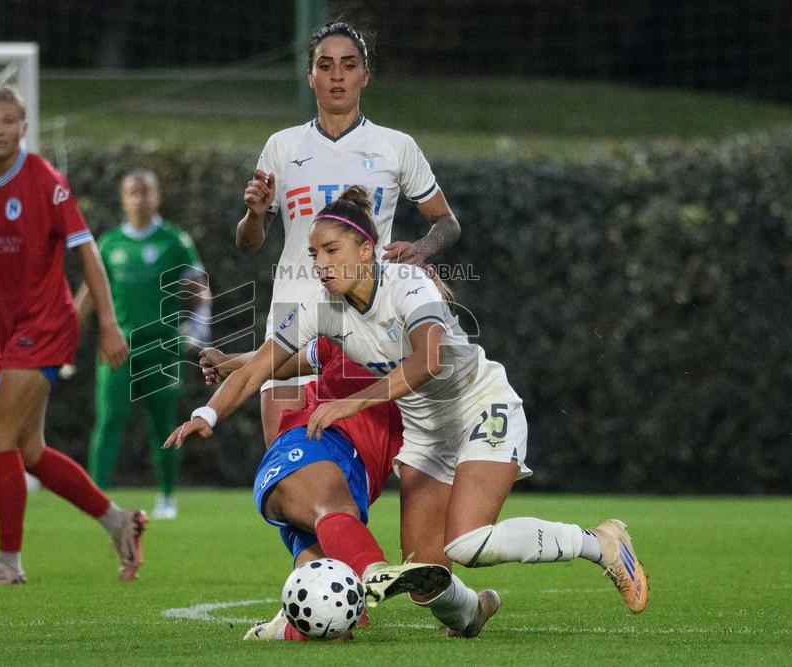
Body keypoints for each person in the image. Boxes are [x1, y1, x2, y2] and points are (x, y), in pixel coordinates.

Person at [171, 187, 649, 637]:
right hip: (425, 433)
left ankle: (600, 543)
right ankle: (472, 614)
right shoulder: (321, 308)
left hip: (480, 404)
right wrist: (206, 414)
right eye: (315, 254)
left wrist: (353, 401)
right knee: (426, 578)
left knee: (469, 543)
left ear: (366, 250)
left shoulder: (407, 283)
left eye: (332, 251)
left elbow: (430, 360)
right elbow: (259, 368)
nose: (320, 264)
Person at [0, 86, 147, 586]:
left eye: (8, 121)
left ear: (23, 128)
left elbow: (87, 251)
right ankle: (120, 522)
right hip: (10, 331)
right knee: (29, 452)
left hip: (46, 325)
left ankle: (9, 562)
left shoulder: (44, 180)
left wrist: (107, 323)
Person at [235, 21, 461, 448]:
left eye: (348, 65)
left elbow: (447, 222)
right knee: (284, 470)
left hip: (366, 326)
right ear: (310, 77)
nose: (337, 75)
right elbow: (249, 243)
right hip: (290, 313)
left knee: (356, 472)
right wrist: (255, 215)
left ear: (365, 75)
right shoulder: (282, 147)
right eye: (325, 65)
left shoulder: (396, 146)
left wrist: (422, 248)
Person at [192, 336, 462, 642]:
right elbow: (281, 362)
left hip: (358, 481)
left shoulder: (435, 369)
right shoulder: (348, 334)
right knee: (332, 508)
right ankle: (375, 571)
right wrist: (224, 366)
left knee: (332, 620)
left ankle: (287, 629)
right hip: (312, 440)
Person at [68, 168, 211, 519]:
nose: (140, 198)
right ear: (123, 199)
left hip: (162, 346)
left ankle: (166, 498)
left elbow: (199, 288)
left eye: (146, 191)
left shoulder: (174, 241)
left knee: (163, 423)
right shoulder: (109, 243)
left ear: (157, 196)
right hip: (118, 347)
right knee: (109, 419)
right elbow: (89, 293)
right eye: (133, 192)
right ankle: (95, 498)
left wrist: (200, 321)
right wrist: (66, 335)